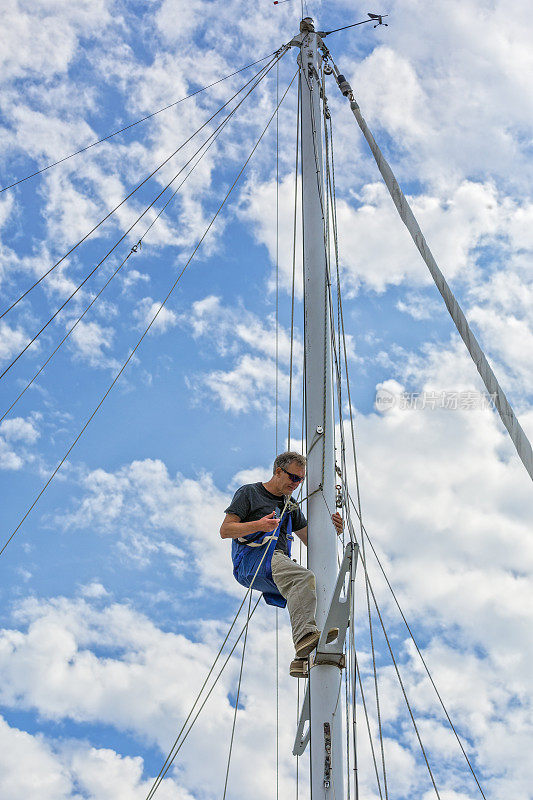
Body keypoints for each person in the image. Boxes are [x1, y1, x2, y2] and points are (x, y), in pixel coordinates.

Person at [220, 451, 343, 677]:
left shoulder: (291, 505)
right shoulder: (250, 493)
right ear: (278, 471)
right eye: (293, 478)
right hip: (252, 561)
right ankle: (305, 637)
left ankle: (300, 659)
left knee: (305, 590)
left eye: (301, 480)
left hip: (275, 564)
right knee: (303, 578)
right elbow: (225, 530)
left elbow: (311, 541)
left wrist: (332, 530)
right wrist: (259, 525)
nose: (296, 484)